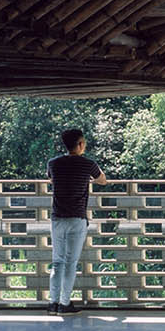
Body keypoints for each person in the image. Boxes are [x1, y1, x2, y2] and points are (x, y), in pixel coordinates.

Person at [46, 127, 106, 314]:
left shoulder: (53, 163)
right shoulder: (88, 164)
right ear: (80, 144)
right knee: (70, 263)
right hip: (77, 218)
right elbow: (102, 180)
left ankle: (52, 303)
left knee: (57, 262)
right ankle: (65, 304)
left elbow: (51, 180)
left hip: (57, 218)